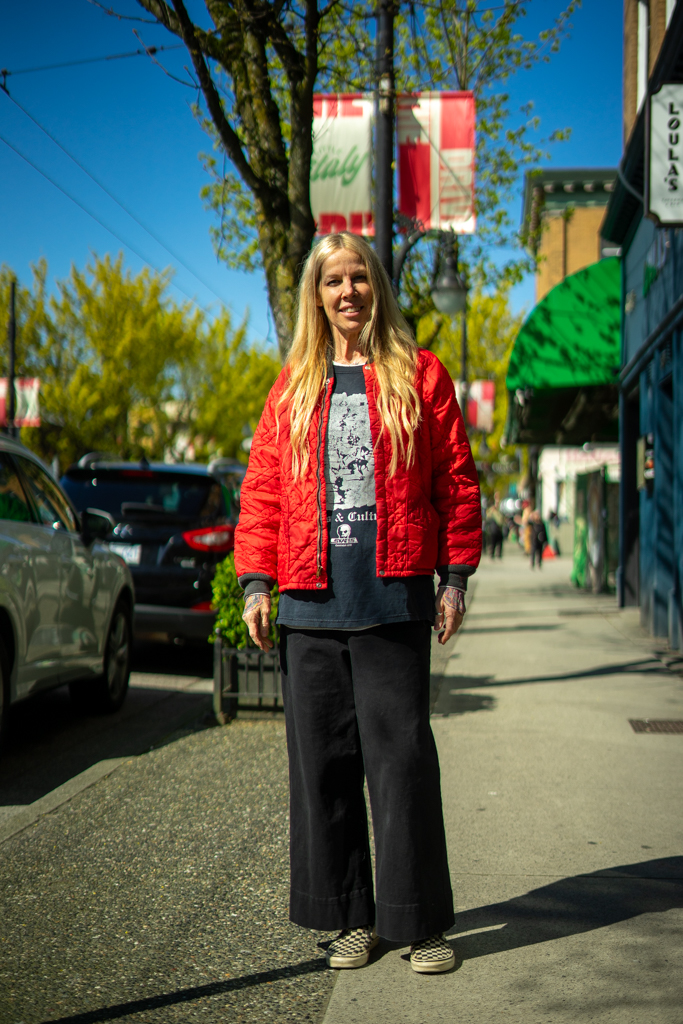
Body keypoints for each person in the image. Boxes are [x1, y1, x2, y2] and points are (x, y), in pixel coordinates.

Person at [234, 232, 481, 975]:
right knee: (325, 770)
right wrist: (256, 582)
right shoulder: (293, 386)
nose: (348, 292)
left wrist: (454, 578)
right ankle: (349, 920)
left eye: (359, 278)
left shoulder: (421, 375)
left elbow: (456, 481)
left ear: (377, 286)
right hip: (310, 606)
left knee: (402, 766)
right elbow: (263, 490)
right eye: (333, 281)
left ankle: (419, 923)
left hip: (392, 601)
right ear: (316, 296)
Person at [485, 491, 505, 559]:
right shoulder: (492, 510)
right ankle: (492, 554)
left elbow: (501, 520)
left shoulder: (500, 510)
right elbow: (488, 517)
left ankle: (498, 555)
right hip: (493, 529)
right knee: (493, 542)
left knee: (499, 542)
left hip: (499, 529)